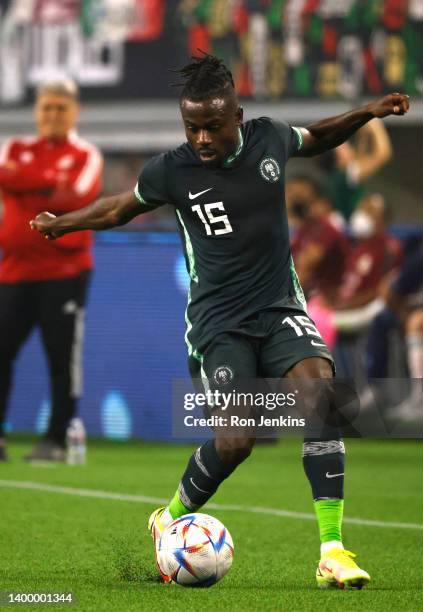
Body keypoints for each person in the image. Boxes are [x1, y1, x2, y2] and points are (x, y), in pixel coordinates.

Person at [30, 54, 410, 589]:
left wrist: (367, 113)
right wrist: (62, 223)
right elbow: (119, 208)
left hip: (280, 309)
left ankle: (332, 551)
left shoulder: (270, 139)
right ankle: (169, 516)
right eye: (192, 127)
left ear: (237, 116)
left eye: (212, 126)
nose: (202, 138)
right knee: (237, 440)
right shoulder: (171, 171)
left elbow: (319, 136)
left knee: (322, 400)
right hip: (219, 325)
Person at [0, 79, 103, 462]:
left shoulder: (86, 154)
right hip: (13, 271)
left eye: (61, 108)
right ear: (36, 111)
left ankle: (57, 439)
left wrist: (24, 185)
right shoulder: (15, 147)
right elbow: (5, 177)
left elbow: (74, 197)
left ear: (75, 112)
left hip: (64, 271)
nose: (53, 115)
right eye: (47, 107)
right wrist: (46, 184)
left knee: (61, 358)